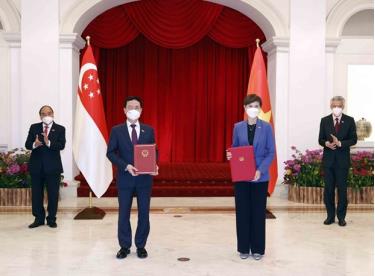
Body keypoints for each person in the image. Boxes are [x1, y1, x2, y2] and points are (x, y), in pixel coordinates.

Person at [107, 96, 158, 260]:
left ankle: (141, 245)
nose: (134, 110)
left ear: (141, 110)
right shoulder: (116, 130)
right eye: (130, 107)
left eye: (137, 107)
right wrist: (125, 166)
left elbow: (153, 151)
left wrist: (154, 165)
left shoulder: (148, 130)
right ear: (124, 110)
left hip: (144, 180)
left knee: (144, 213)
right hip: (125, 178)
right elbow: (110, 153)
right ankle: (124, 246)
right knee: (124, 214)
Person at [226, 94, 275, 261]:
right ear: (244, 108)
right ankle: (243, 248)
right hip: (242, 177)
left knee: (257, 213)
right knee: (243, 212)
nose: (253, 109)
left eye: (256, 106)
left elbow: (271, 152)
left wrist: (260, 170)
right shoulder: (238, 127)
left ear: (260, 108)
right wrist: (230, 154)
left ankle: (258, 249)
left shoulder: (267, 127)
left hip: (260, 177)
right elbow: (235, 147)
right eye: (249, 106)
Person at [319, 96, 357, 227]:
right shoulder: (324, 121)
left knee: (342, 190)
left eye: (339, 105)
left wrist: (340, 143)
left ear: (343, 106)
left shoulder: (349, 120)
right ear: (331, 106)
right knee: (328, 189)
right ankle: (330, 216)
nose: (336, 108)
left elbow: (354, 139)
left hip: (342, 162)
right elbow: (320, 139)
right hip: (329, 161)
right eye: (334, 105)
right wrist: (326, 143)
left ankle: (341, 217)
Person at [25, 105, 66, 228]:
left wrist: (48, 142)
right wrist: (35, 144)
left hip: (53, 168)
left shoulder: (60, 129)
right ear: (40, 115)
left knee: (53, 194)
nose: (46, 115)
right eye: (43, 113)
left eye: (49, 113)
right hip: (37, 167)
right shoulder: (34, 127)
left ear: (53, 114)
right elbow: (27, 144)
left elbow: (61, 145)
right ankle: (38, 218)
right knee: (37, 194)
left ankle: (51, 219)